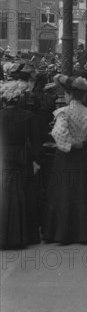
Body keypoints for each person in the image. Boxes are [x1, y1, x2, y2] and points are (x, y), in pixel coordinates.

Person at [42, 75, 87, 245]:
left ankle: (62, 231)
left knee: (64, 190)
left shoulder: (64, 112)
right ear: (84, 96)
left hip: (66, 157)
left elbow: (58, 133)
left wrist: (70, 144)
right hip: (83, 157)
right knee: (83, 191)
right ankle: (84, 230)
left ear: (69, 95)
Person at [0, 81, 42, 249]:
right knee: (24, 193)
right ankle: (25, 235)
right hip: (22, 158)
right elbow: (36, 143)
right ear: (18, 99)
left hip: (2, 157)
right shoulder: (28, 116)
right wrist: (38, 160)